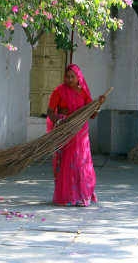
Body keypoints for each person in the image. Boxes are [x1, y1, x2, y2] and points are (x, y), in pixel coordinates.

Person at [47, 64, 106, 207]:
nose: (69, 79)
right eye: (67, 76)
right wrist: (58, 122)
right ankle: (67, 197)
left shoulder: (84, 92)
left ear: (78, 77)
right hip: (65, 131)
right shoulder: (59, 91)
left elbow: (92, 115)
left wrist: (98, 105)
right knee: (67, 161)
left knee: (81, 162)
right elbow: (50, 111)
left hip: (80, 133)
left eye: (72, 76)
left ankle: (82, 197)